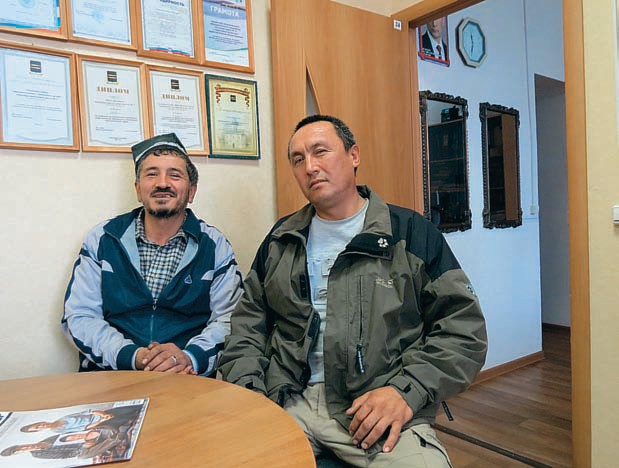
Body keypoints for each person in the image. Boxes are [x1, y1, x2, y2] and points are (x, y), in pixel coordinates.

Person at [219, 115, 487, 467]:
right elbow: (246, 326)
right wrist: (252, 392)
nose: (310, 167)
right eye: (298, 159)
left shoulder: (410, 233)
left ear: (354, 155)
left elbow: (463, 332)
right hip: (288, 400)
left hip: (376, 403)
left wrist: (406, 391)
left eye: (320, 152)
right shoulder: (281, 239)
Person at [62, 133, 242, 375]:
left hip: (186, 379)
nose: (162, 183)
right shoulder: (103, 239)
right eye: (151, 174)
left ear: (191, 191)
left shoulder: (215, 246)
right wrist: (134, 356)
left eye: (174, 175)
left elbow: (230, 318)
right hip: (111, 376)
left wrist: (190, 357)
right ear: (138, 189)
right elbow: (80, 315)